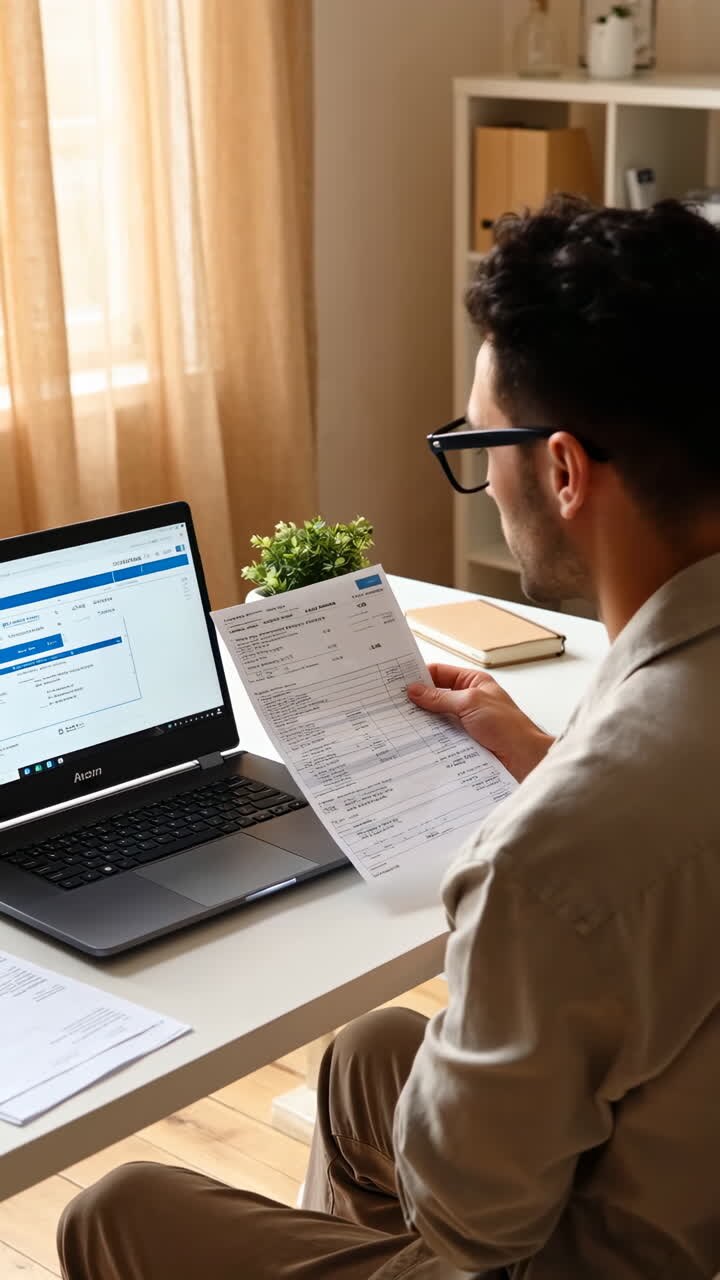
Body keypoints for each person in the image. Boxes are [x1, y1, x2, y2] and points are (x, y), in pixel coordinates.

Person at [57, 195, 720, 1279]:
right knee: (368, 1054)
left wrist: (507, 930)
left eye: (476, 438)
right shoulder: (630, 762)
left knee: (120, 1206)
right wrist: (537, 757)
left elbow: (474, 1224)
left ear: (561, 469)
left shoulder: (552, 852)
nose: (478, 468)